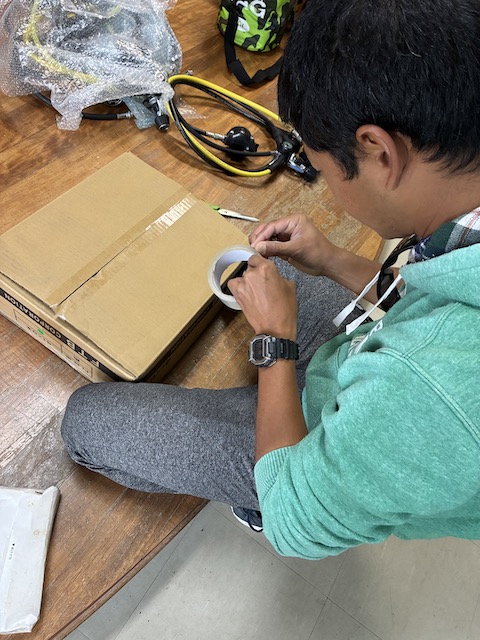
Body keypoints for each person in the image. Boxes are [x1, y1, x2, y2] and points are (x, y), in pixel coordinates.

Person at [61, 0, 480, 559]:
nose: (328, 188)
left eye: (324, 171)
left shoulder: (431, 388)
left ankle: (253, 487)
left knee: (85, 423)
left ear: (379, 152)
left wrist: (274, 345)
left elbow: (299, 526)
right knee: (273, 264)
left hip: (322, 461)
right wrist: (330, 258)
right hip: (373, 371)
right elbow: (432, 301)